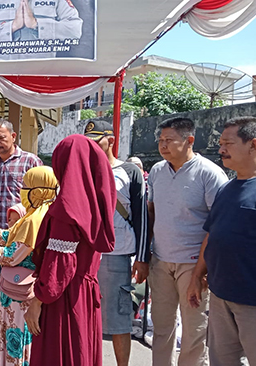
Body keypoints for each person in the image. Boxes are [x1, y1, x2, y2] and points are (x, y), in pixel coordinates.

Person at [27, 134, 116, 366]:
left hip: (64, 300)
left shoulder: (66, 211)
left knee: (60, 355)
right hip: (85, 294)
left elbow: (59, 267)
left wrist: (37, 301)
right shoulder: (95, 206)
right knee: (80, 352)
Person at [147, 117, 227, 366]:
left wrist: (202, 272)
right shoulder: (158, 171)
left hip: (194, 265)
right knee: (161, 327)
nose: (163, 145)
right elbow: (151, 213)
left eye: (169, 140)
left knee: (194, 332)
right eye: (161, 140)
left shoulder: (210, 174)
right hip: (160, 261)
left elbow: (217, 225)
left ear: (189, 140)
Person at [187, 117, 256, 366]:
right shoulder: (226, 189)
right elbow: (212, 235)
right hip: (221, 296)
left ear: (253, 145)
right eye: (220, 143)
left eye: (228, 143)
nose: (221, 150)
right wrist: (197, 276)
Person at [0, 166, 58, 366]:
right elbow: (7, 237)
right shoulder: (34, 215)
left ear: (39, 191)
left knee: (16, 349)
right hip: (14, 293)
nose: (21, 192)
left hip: (20, 297)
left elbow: (11, 256)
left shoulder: (36, 220)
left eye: (26, 187)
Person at [0, 118, 43, 355]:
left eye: (1, 138)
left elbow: (42, 202)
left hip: (25, 242)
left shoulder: (31, 162)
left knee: (24, 292)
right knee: (0, 291)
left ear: (13, 137)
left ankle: (29, 342)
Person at [84, 120, 149, 366]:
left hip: (117, 253)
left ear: (110, 140)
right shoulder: (83, 170)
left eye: (96, 140)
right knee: (88, 317)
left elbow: (142, 216)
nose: (91, 146)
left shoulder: (129, 172)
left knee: (120, 318)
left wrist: (142, 258)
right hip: (87, 252)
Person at [0, 0, 83, 60]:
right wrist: (12, 26)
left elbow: (75, 30)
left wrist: (37, 24)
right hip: (5, 75)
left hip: (44, 73)